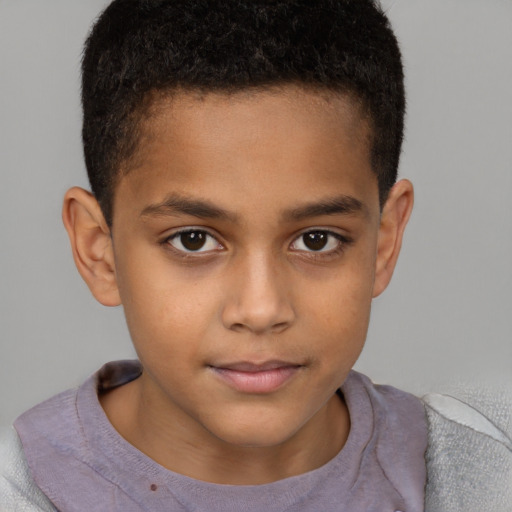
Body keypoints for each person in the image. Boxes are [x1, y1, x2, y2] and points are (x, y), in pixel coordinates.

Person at [0, 1, 510, 510]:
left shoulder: (484, 472)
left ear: (384, 241)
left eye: (316, 240)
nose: (261, 309)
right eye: (193, 240)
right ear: (99, 251)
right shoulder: (20, 491)